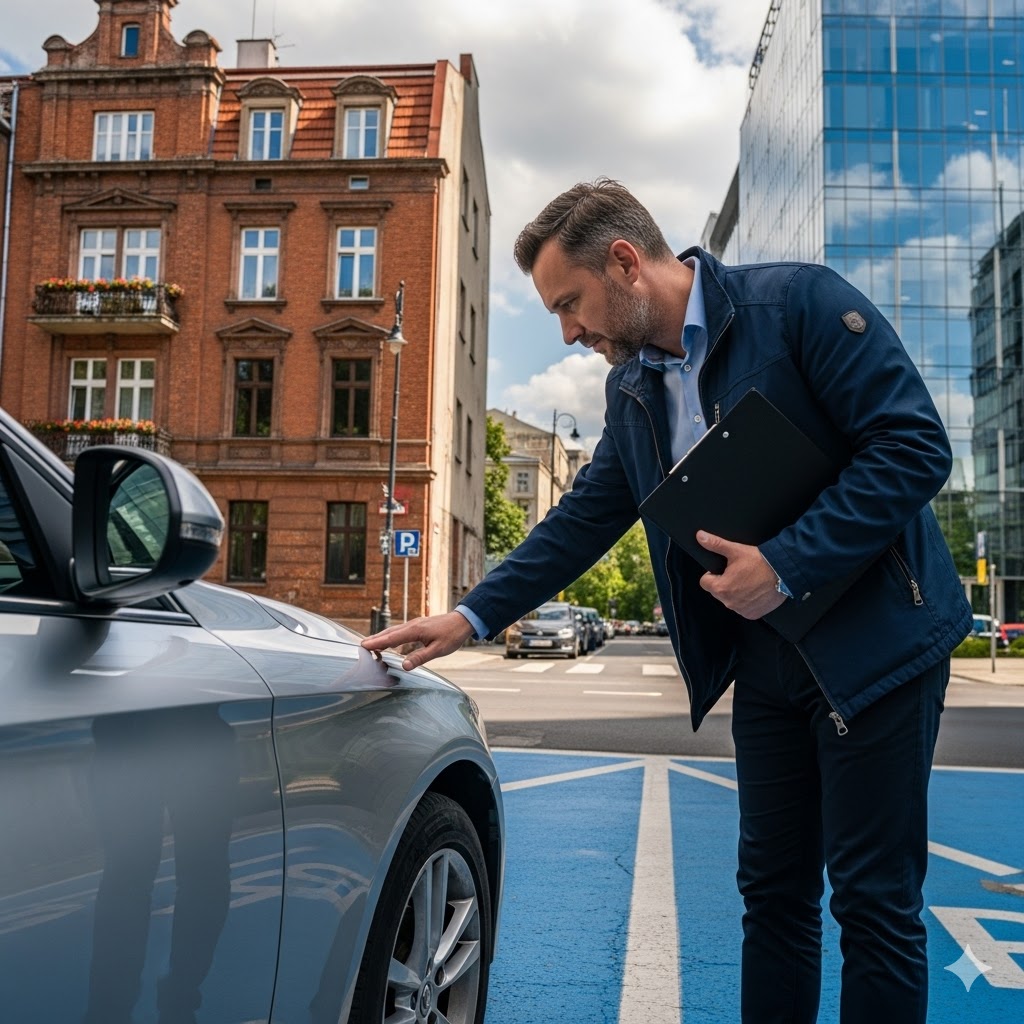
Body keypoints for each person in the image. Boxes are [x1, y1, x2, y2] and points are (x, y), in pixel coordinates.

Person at [361, 178, 972, 1022]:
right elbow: (582, 519)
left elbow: (913, 447)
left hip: (876, 648)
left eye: (571, 304)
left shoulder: (797, 305)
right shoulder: (634, 390)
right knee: (773, 896)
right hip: (764, 660)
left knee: (873, 905)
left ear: (625, 264)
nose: (571, 332)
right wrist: (469, 615)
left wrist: (786, 562)